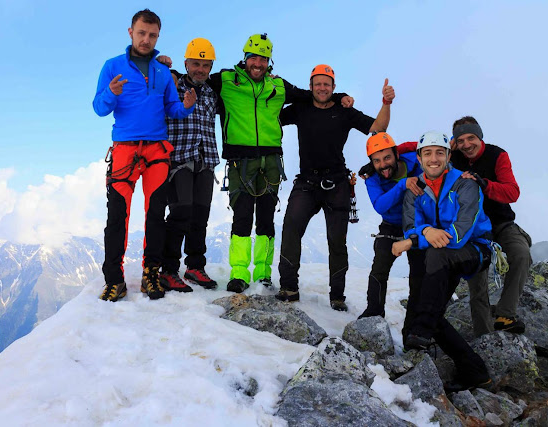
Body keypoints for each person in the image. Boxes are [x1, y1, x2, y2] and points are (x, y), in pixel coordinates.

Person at [174, 34, 353, 293]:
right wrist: (169, 71)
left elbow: (311, 95)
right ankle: (238, 273)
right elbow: (193, 77)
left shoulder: (278, 85)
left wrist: (342, 95)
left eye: (263, 58)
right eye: (254, 58)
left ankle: (263, 274)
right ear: (245, 58)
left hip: (270, 161)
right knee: (242, 215)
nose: (258, 63)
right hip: (240, 160)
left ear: (269, 61)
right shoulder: (225, 79)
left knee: (266, 219)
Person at [93, 9, 196, 301]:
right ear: (130, 32)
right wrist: (111, 93)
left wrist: (186, 105)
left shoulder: (163, 72)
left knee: (155, 215)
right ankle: (114, 279)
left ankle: (151, 273)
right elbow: (99, 108)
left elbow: (173, 110)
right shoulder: (112, 66)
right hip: (125, 149)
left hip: (156, 150)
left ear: (158, 36)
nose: (146, 39)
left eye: (152, 35)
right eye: (141, 33)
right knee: (117, 216)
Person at [275, 65, 393, 311]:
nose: (322, 88)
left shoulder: (344, 111)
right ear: (310, 87)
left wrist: (386, 102)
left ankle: (337, 296)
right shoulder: (301, 108)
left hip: (337, 182)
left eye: (326, 84)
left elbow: (378, 129)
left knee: (337, 242)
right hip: (306, 181)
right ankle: (289, 287)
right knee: (291, 229)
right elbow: (271, 117)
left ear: (333, 87)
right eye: (317, 84)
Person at [393, 131, 492, 392]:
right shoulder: (416, 188)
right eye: (428, 153)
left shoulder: (465, 184)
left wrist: (414, 241)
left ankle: (421, 329)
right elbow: (410, 225)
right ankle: (476, 371)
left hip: (474, 251)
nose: (434, 158)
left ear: (449, 156)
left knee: (433, 265)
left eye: (440, 152)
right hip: (440, 255)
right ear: (419, 157)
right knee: (432, 307)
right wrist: (425, 233)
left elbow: (459, 235)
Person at [450, 116, 531, 335]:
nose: (466, 145)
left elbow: (512, 192)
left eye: (471, 138)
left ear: (480, 136)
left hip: (501, 222)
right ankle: (483, 337)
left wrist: (483, 183)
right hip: (473, 228)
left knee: (521, 254)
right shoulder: (451, 156)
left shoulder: (497, 155)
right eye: (460, 140)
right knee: (477, 282)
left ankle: (505, 314)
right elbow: (421, 149)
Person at [157, 38, 220, 293]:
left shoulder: (211, 92)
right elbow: (150, 79)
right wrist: (160, 65)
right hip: (178, 160)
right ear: (186, 63)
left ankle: (195, 266)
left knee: (200, 216)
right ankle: (169, 269)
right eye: (196, 64)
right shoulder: (171, 84)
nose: (201, 70)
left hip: (206, 160)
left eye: (206, 65)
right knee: (180, 213)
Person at [356, 132, 425, 323]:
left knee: (418, 272)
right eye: (376, 161)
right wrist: (402, 185)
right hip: (392, 225)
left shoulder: (416, 162)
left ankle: (415, 324)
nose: (383, 165)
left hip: (420, 225)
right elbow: (380, 205)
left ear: (396, 154)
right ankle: (374, 314)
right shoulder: (372, 178)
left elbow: (422, 145)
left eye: (387, 157)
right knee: (379, 267)